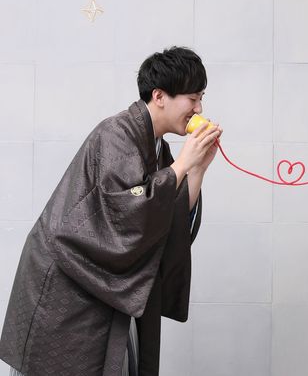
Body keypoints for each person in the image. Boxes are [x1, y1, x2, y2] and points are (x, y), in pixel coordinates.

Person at [0, 46, 222, 376]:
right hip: (69, 280)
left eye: (201, 98)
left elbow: (165, 216)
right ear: (160, 96)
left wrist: (197, 169)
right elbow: (126, 212)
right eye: (192, 99)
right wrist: (182, 165)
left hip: (98, 281)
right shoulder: (116, 134)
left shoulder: (156, 146)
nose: (199, 109)